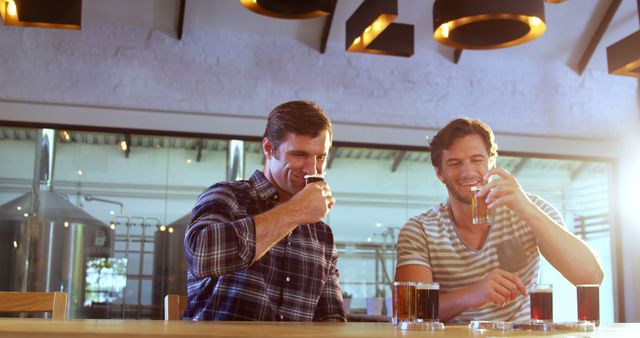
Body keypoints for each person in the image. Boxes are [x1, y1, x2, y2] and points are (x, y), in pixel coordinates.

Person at [395, 118, 604, 323]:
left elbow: (591, 278)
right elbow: (412, 312)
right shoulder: (419, 230)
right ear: (440, 174)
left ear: (491, 163)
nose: (468, 171)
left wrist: (528, 210)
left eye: (477, 160)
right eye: (455, 163)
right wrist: (473, 294)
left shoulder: (530, 208)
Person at [183, 100, 346, 322]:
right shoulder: (227, 196)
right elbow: (200, 256)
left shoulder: (322, 234)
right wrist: (295, 211)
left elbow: (332, 318)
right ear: (269, 149)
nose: (312, 169)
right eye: (299, 155)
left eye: (321, 157)